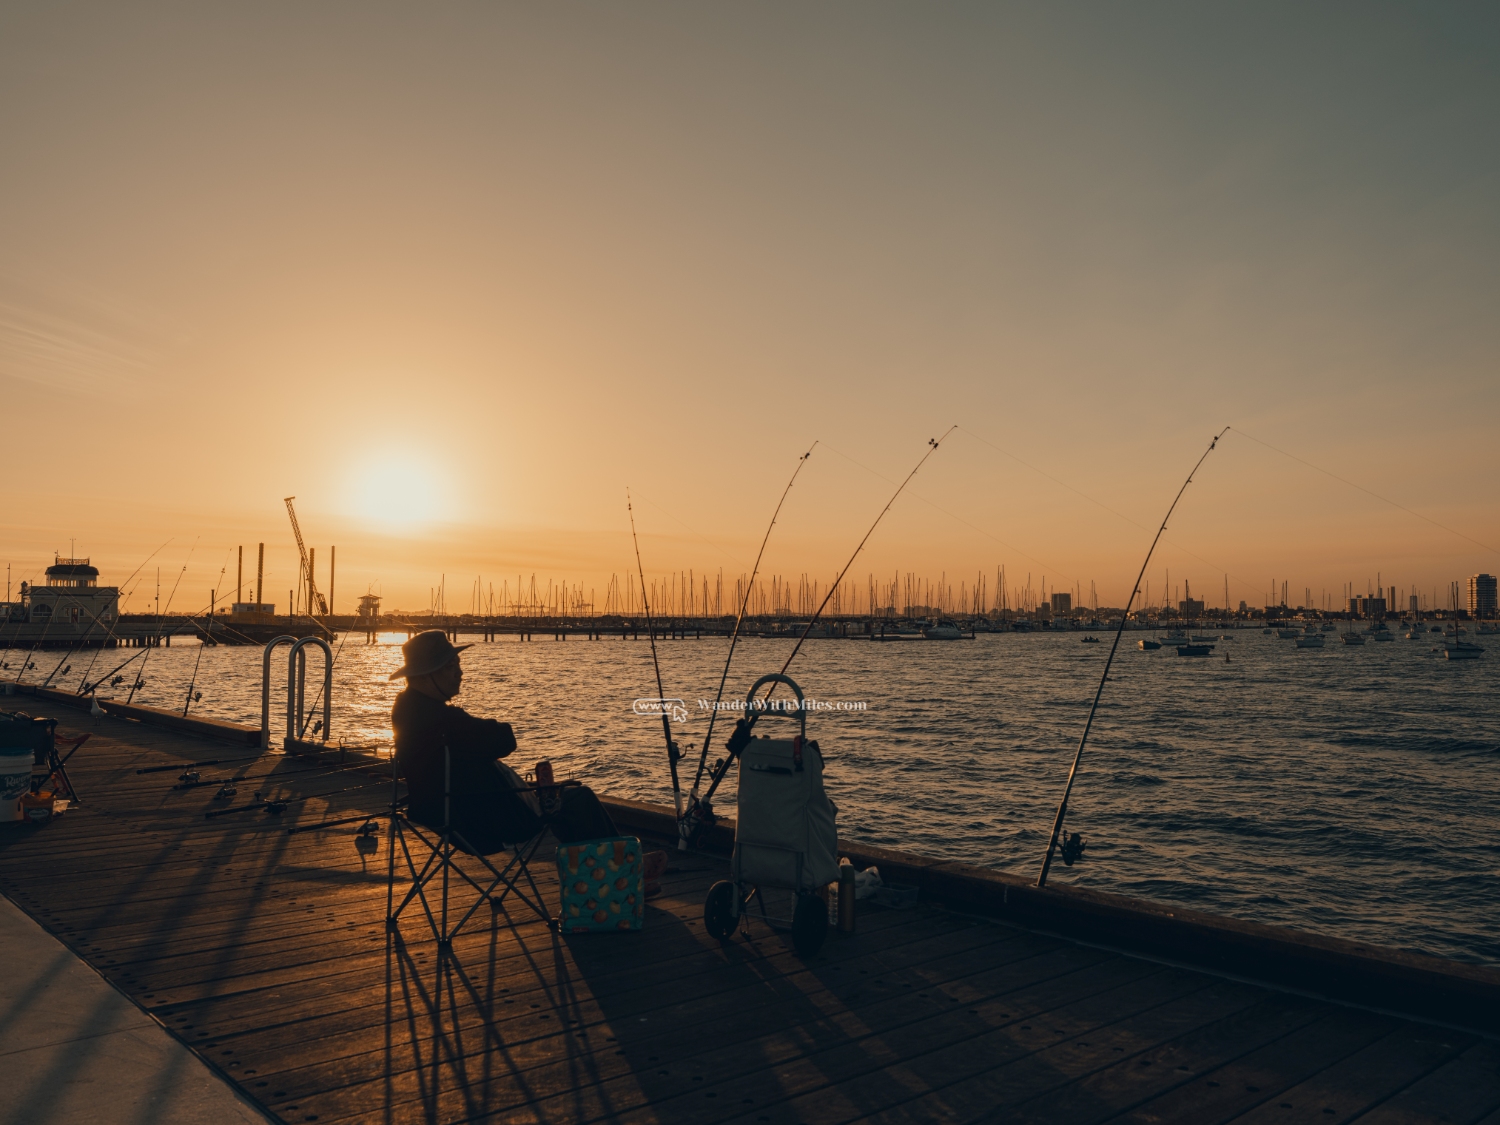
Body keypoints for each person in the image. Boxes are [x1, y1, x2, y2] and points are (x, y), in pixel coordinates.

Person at [390, 630, 668, 893]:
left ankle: (611, 877)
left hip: (439, 813)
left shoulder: (405, 710)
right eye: (451, 666)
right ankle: (622, 877)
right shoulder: (442, 721)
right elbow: (504, 739)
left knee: (558, 803)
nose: (460, 672)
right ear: (427, 675)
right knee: (578, 798)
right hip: (483, 820)